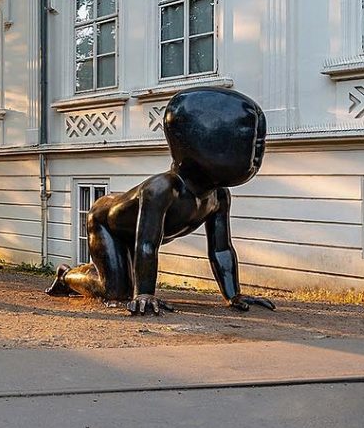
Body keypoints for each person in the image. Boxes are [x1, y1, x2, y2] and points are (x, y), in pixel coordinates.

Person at [45, 87, 275, 316]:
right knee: (115, 292)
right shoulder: (163, 189)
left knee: (121, 284)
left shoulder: (219, 196)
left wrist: (233, 295)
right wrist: (144, 294)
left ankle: (89, 274)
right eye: (249, 143)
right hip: (107, 223)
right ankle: (66, 276)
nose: (256, 154)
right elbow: (146, 245)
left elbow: (221, 248)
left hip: (133, 230)